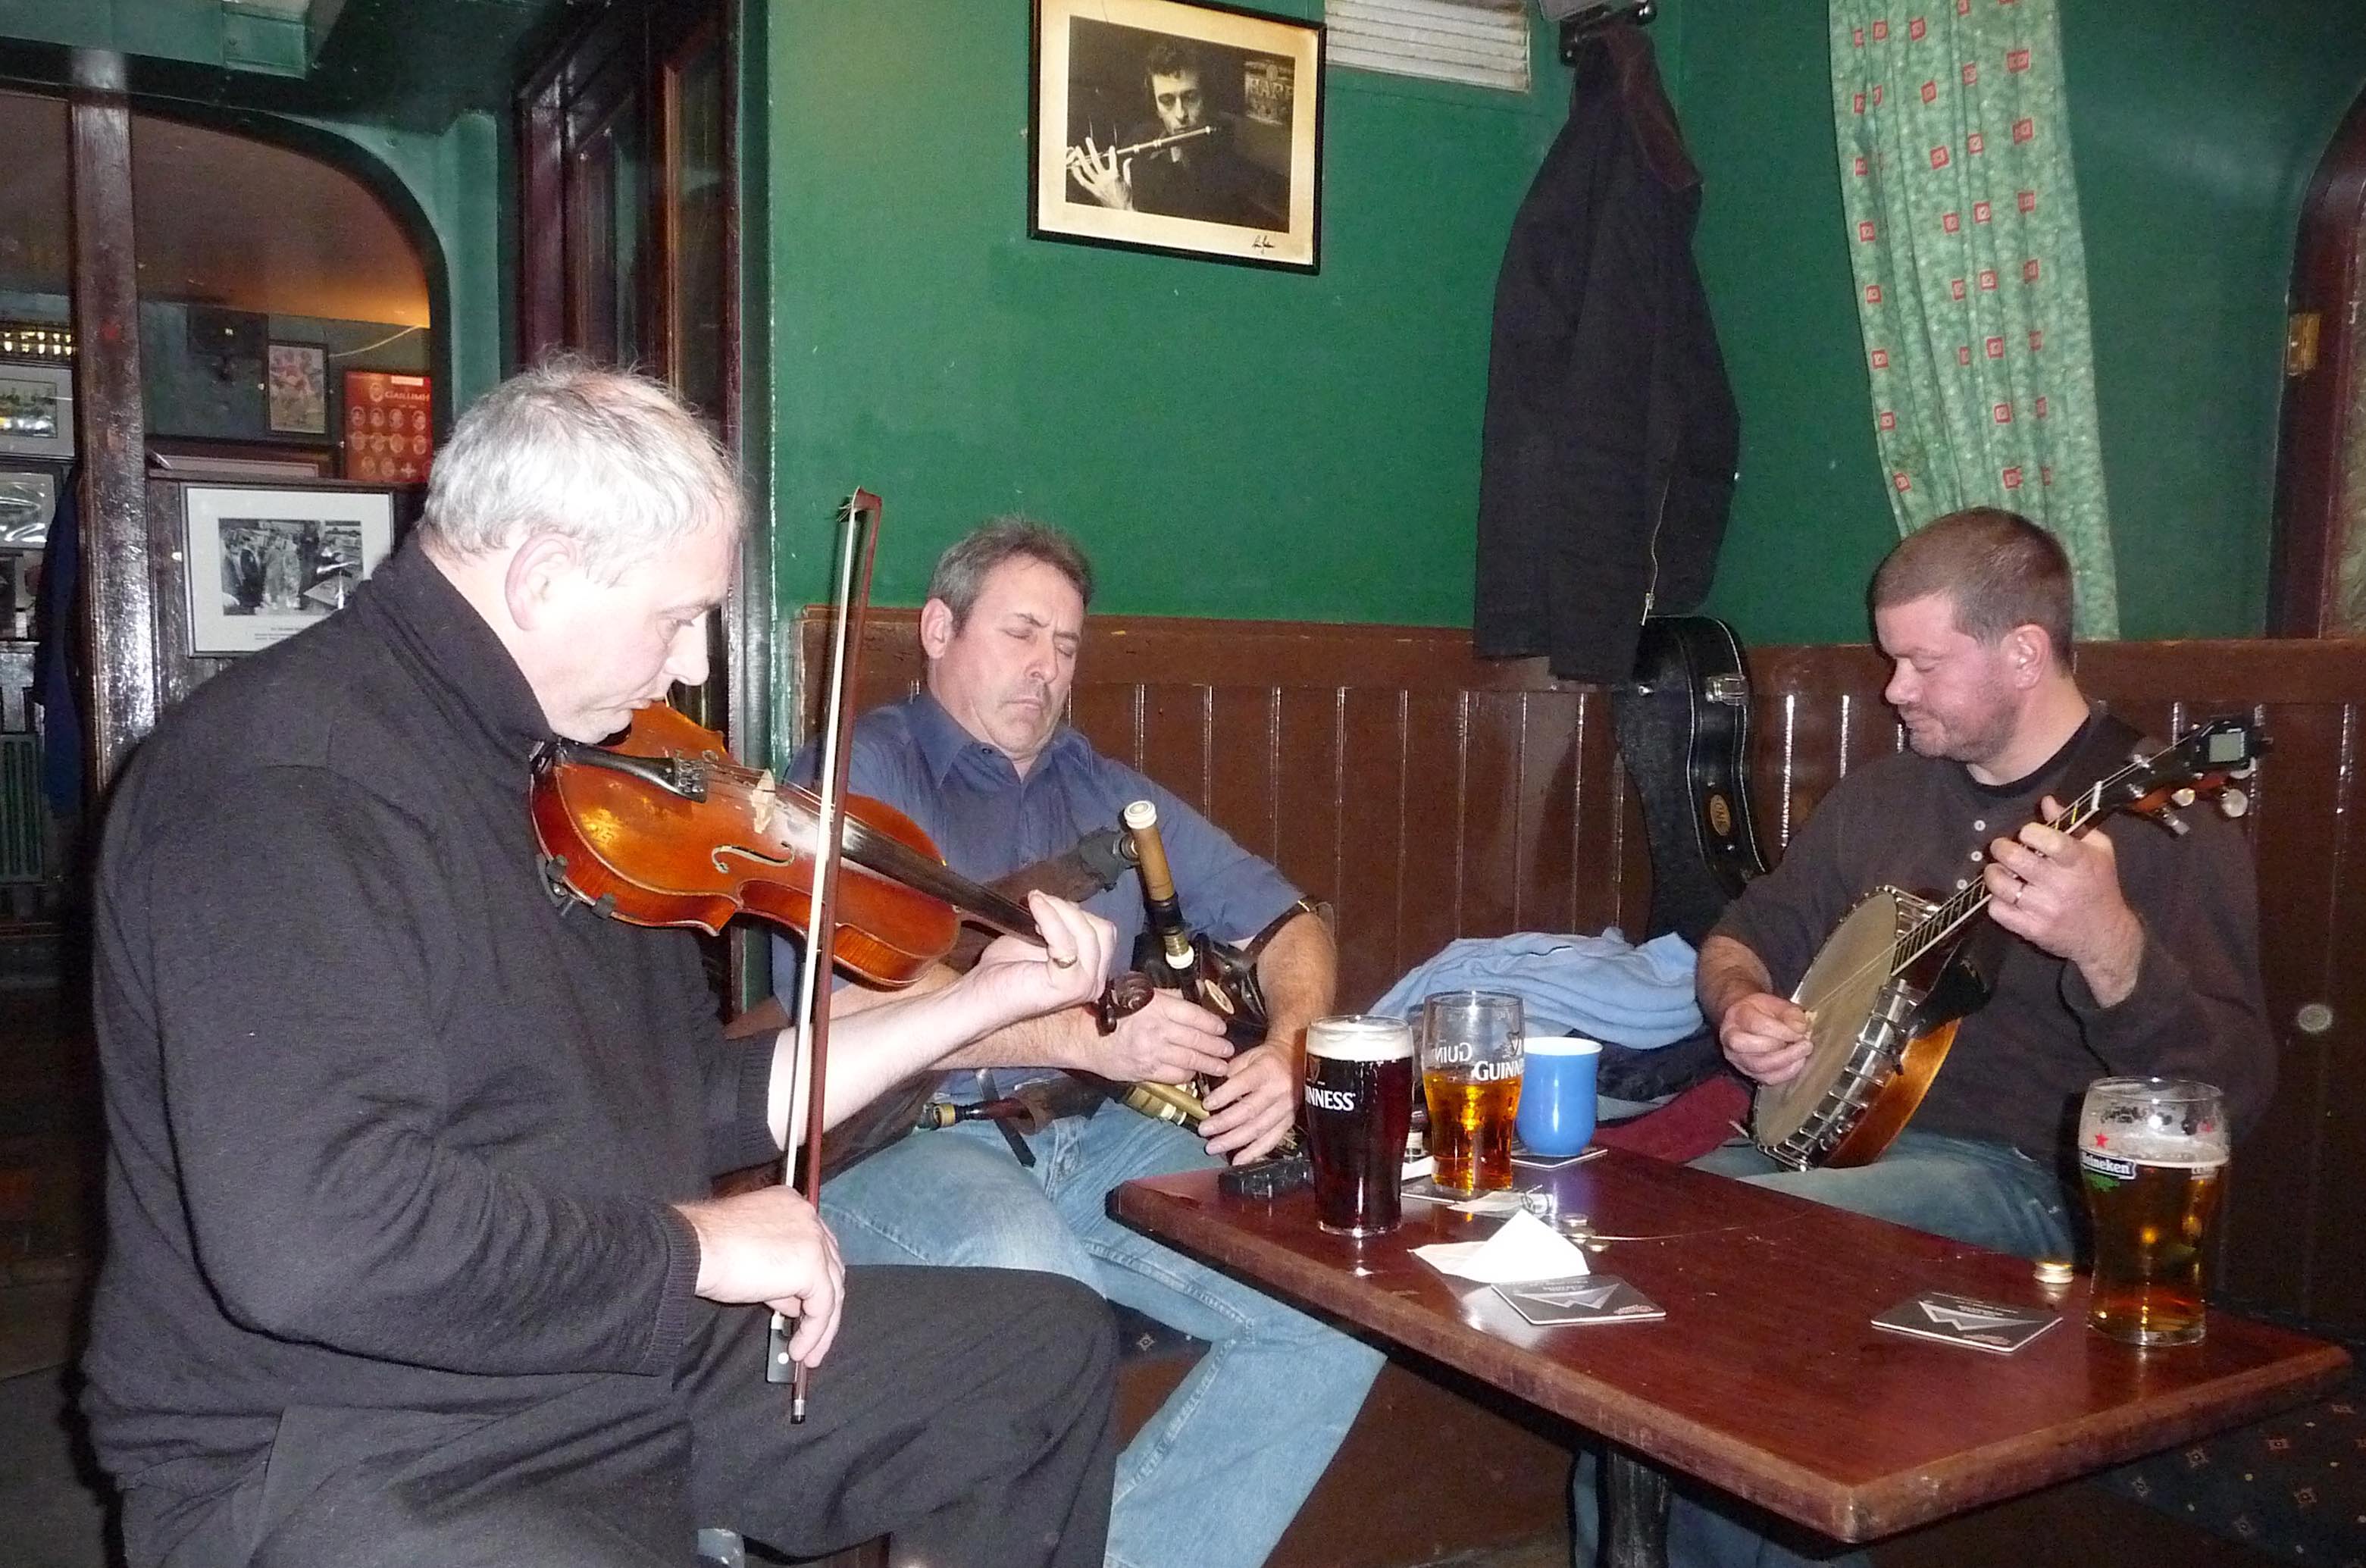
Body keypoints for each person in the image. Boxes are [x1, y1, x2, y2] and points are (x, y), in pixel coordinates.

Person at [80, 365, 1128, 1568]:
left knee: (1039, 1354)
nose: (690, 666)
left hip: (601, 1356)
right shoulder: (287, 786)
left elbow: (693, 1093)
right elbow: (322, 1242)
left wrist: (981, 1001)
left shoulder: (577, 780)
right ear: (542, 576)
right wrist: (699, 1250)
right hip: (356, 1435)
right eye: (676, 617)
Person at [1574, 506, 2276, 1567]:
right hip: (1824, 1156)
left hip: (2019, 1184)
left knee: (1742, 1273)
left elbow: (2232, 1094)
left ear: (2023, 652)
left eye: (1920, 663)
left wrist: (2108, 947)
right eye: (1888, 660)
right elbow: (1744, 932)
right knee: (1632, 1246)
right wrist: (1739, 1002)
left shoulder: (2158, 827)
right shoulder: (1884, 796)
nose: (1892, 689)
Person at [763, 518, 1385, 1568]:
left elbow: (1290, 922)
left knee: (1335, 1311)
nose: (1046, 666)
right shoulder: (856, 774)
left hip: (1087, 1137)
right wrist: (1089, 1037)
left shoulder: (1105, 790)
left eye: (1065, 645)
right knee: (1045, 1305)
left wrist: (1290, 1045)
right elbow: (842, 1010)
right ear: (938, 629)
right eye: (1020, 632)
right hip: (902, 1140)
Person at [1066, 37, 1287, 230]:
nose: (1181, 114)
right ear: (1155, 106)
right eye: (1167, 101)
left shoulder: (1229, 176)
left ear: (1206, 98)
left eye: (1190, 98)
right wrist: (1074, 181)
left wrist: (1124, 210)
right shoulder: (1140, 138)